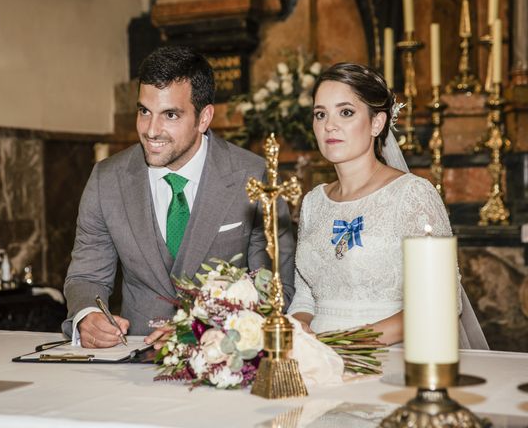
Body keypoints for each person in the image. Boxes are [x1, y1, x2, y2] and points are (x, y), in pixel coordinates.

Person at [62, 45, 296, 348]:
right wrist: (88, 315)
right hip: (132, 357)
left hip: (224, 358)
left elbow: (276, 287)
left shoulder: (253, 177)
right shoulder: (106, 180)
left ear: (204, 118)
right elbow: (86, 275)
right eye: (144, 111)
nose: (151, 130)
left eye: (170, 115)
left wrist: (200, 329)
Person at [288, 62, 488, 349]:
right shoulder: (313, 202)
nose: (329, 125)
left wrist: (349, 343)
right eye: (320, 114)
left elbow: (440, 304)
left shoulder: (412, 194)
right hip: (317, 357)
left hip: (385, 356)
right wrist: (299, 328)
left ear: (377, 123)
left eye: (346, 112)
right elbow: (306, 294)